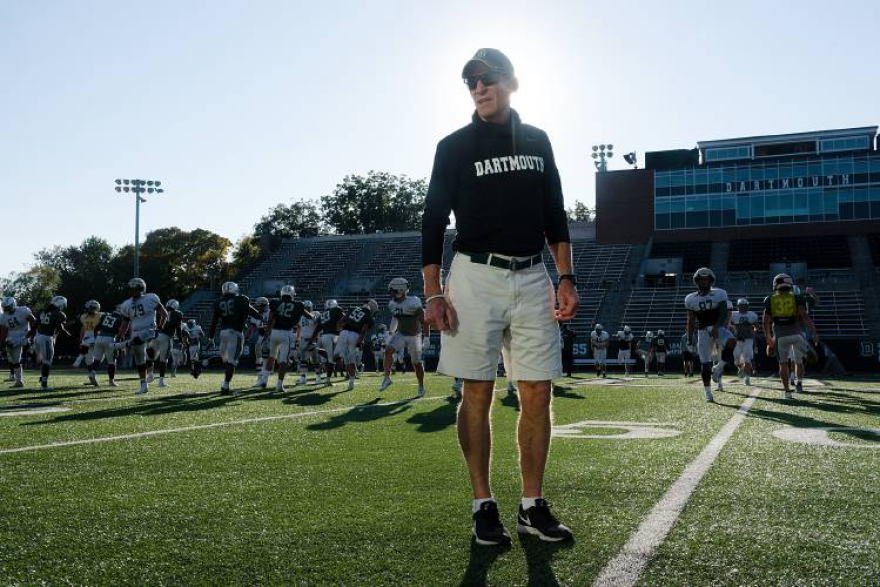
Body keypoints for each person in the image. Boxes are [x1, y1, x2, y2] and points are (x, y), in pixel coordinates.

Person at [421, 48, 576, 546]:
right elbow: (432, 220)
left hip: (533, 275)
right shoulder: (453, 145)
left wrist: (567, 277)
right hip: (473, 276)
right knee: (478, 391)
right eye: (470, 81)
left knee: (537, 390)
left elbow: (555, 212)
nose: (479, 87)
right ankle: (482, 504)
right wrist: (432, 293)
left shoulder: (538, 140)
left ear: (512, 81)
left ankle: (532, 505)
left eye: (487, 78)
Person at [763, 273, 818, 399]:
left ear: (775, 284)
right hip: (796, 334)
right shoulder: (797, 298)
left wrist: (768, 336)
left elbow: (766, 320)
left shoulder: (770, 299)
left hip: (780, 336)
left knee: (782, 364)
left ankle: (787, 392)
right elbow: (804, 316)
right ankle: (799, 382)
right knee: (803, 360)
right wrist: (814, 332)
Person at [684, 267, 735, 402]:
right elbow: (691, 320)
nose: (704, 282)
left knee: (731, 341)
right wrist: (689, 337)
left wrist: (717, 327)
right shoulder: (690, 298)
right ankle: (707, 392)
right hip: (702, 331)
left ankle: (719, 367)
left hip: (717, 327)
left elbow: (723, 313)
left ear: (711, 280)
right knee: (705, 364)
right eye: (702, 279)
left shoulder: (719, 293)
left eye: (707, 279)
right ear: (697, 281)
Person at [208, 281, 261, 395]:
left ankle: (205, 365)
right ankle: (226, 387)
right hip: (235, 332)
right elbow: (252, 312)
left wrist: (211, 338)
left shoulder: (218, 302)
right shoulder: (241, 299)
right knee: (232, 361)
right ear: (235, 289)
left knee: (226, 360)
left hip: (223, 332)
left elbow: (214, 323)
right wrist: (260, 316)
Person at [380, 278, 430, 397]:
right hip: (401, 334)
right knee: (388, 351)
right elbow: (396, 318)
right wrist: (391, 333)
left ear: (400, 290)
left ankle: (421, 386)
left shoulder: (413, 302)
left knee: (416, 363)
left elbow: (425, 320)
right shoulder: (392, 303)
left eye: (392, 291)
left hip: (414, 336)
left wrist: (426, 337)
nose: (390, 293)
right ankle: (387, 378)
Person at [118, 278, 168, 395]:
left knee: (147, 352)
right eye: (131, 289)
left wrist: (160, 326)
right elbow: (125, 323)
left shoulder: (150, 298)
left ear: (141, 288)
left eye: (135, 289)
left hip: (149, 329)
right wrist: (120, 335)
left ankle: (126, 344)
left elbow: (164, 314)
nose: (132, 291)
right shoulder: (126, 304)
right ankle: (143, 385)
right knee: (140, 360)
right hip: (135, 331)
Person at [257, 285, 311, 392]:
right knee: (283, 360)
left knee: (271, 357)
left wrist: (266, 335)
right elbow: (309, 316)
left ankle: (264, 380)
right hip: (287, 333)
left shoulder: (274, 303)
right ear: (292, 294)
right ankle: (279, 384)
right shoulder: (298, 305)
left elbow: (271, 320)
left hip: (274, 332)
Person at [336, 299, 378, 392]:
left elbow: (341, 321)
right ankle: (351, 380)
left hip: (344, 332)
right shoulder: (369, 317)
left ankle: (339, 365)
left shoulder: (353, 309)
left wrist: (339, 331)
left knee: (339, 356)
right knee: (352, 360)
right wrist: (359, 342)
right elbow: (363, 331)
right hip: (355, 335)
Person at [31, 296, 72, 390]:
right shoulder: (59, 314)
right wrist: (70, 336)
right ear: (61, 305)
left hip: (37, 336)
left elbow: (35, 325)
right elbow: (60, 328)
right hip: (46, 338)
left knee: (43, 361)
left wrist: (29, 337)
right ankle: (44, 385)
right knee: (47, 362)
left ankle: (43, 378)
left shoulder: (43, 311)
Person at [0, 296, 37, 388]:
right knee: (12, 359)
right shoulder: (3, 316)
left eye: (8, 307)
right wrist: (2, 342)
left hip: (23, 335)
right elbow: (4, 330)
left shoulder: (23, 310)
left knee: (16, 359)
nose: (6, 309)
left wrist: (31, 332)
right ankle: (18, 380)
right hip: (11, 337)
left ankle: (19, 381)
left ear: (13, 305)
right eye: (5, 308)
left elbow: (34, 321)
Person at [87, 304, 125, 387]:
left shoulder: (105, 315)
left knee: (97, 359)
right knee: (112, 362)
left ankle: (92, 373)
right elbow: (121, 331)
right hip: (110, 339)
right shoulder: (120, 318)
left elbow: (97, 326)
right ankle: (111, 381)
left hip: (99, 337)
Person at [151, 298, 184, 388]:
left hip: (156, 335)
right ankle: (161, 381)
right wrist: (180, 339)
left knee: (151, 356)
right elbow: (178, 328)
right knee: (163, 360)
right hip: (166, 337)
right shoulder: (178, 313)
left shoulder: (159, 311)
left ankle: (150, 374)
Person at [311, 299, 344, 384]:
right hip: (335, 336)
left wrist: (311, 340)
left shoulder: (322, 315)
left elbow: (317, 329)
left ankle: (328, 379)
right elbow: (343, 320)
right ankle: (328, 380)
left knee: (331, 358)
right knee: (336, 357)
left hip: (325, 336)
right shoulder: (337, 310)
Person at [731, 298, 758, 386]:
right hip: (737, 340)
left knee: (747, 358)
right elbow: (729, 326)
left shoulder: (752, 315)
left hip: (748, 340)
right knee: (737, 360)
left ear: (747, 306)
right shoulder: (732, 314)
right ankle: (741, 369)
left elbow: (756, 328)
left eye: (744, 306)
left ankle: (747, 378)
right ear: (737, 306)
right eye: (741, 306)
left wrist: (751, 328)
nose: (743, 308)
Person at [296, 300, 322, 386]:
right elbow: (299, 328)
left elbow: (319, 327)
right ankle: (303, 378)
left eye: (308, 308)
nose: (306, 310)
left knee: (315, 359)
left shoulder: (316, 314)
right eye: (305, 308)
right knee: (303, 359)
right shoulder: (300, 316)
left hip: (313, 339)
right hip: (303, 339)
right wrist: (298, 339)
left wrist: (316, 338)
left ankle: (318, 377)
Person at [73, 300, 102, 369]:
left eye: (90, 308)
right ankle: (91, 373)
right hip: (90, 336)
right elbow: (83, 329)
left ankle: (79, 358)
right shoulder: (85, 316)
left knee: (92, 356)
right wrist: (80, 340)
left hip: (92, 337)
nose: (89, 310)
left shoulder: (98, 316)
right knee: (89, 359)